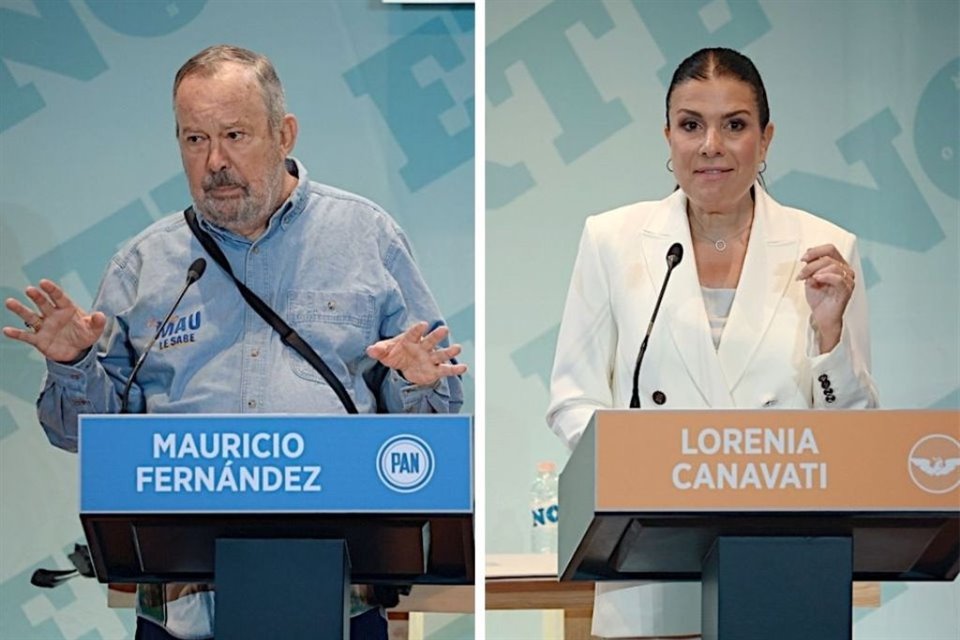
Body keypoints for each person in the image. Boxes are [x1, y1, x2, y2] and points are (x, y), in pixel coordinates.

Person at [3, 45, 467, 640]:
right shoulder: (144, 266)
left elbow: (432, 421)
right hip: (182, 611)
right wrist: (72, 365)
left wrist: (417, 381)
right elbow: (81, 438)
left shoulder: (365, 237)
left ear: (285, 133)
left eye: (235, 134)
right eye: (194, 140)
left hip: (338, 597)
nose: (215, 160)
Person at [546, 47, 879, 639]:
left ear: (766, 138)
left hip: (783, 561)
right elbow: (573, 398)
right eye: (691, 125)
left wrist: (829, 336)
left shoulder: (827, 247)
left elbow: (855, 430)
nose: (711, 146)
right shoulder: (613, 239)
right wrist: (649, 467)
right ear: (668, 136)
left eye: (735, 125)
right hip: (650, 560)